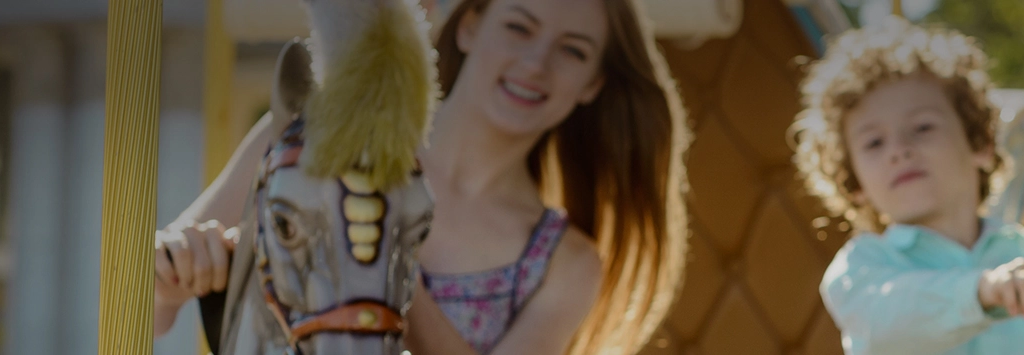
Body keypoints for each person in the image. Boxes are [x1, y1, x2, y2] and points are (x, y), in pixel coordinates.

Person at [150, 0, 689, 353]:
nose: (535, 62)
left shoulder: (564, 264)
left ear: (593, 82)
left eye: (572, 50)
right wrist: (176, 272)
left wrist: (389, 276)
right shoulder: (307, 144)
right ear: (472, 26)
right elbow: (144, 306)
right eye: (518, 26)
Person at [789, 17, 1024, 355]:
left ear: (980, 144)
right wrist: (985, 290)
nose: (899, 151)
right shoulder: (860, 269)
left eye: (922, 128)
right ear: (854, 181)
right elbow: (888, 321)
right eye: (874, 143)